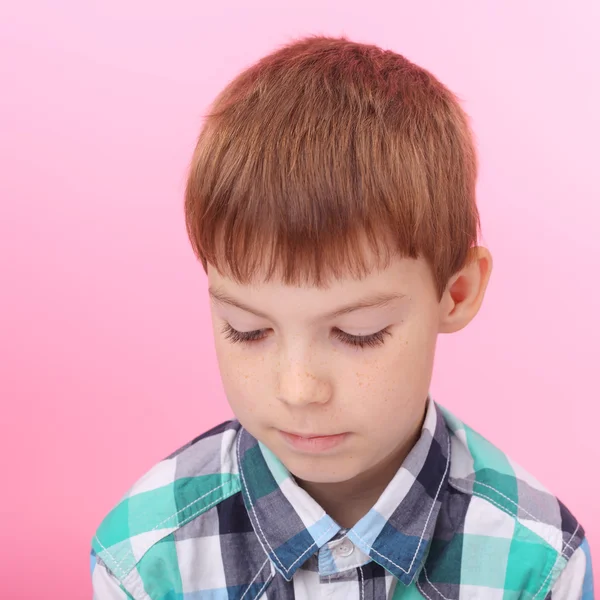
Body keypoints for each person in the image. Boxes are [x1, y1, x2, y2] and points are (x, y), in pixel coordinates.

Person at [90, 36, 594, 599]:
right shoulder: (146, 556)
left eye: (359, 334)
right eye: (248, 330)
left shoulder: (536, 562)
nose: (299, 389)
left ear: (455, 293)